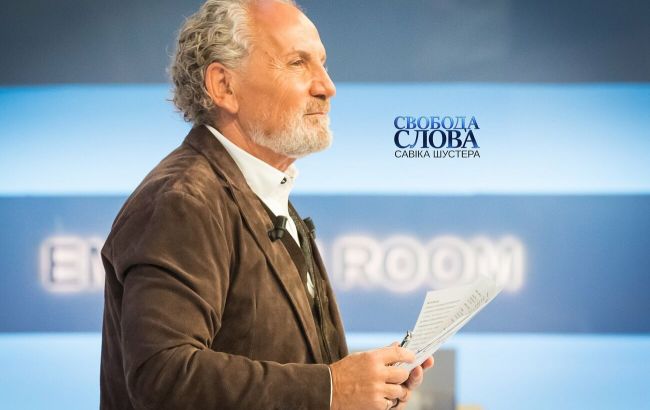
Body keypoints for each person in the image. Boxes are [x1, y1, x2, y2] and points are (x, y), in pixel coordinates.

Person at [99, 0, 433, 409]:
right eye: (297, 63)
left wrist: (371, 389)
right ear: (224, 86)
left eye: (323, 63)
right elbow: (163, 375)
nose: (327, 86)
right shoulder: (182, 200)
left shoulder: (261, 192)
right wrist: (331, 388)